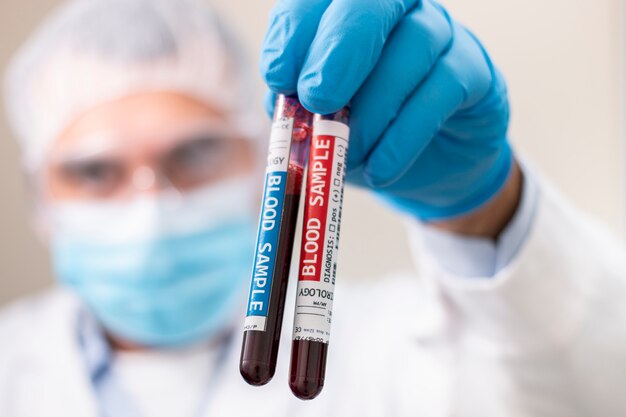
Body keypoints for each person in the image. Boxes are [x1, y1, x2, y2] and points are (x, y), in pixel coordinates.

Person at [1, 0, 625, 415]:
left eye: (193, 155)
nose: (151, 205)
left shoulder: (397, 347)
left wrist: (482, 210)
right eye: (93, 171)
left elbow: (591, 391)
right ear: (41, 199)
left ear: (261, 161)